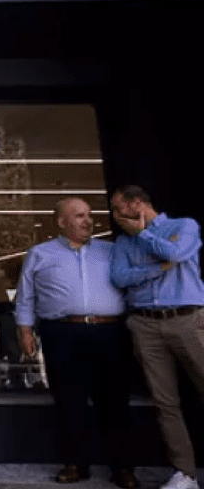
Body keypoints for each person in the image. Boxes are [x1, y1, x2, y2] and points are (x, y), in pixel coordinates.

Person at [14, 198, 137, 488]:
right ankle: (75, 464)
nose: (88, 220)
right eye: (80, 216)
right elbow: (26, 296)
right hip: (62, 333)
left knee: (114, 401)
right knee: (69, 401)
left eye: (89, 215)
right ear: (62, 222)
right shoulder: (39, 254)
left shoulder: (111, 251)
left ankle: (122, 468)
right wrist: (25, 330)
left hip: (109, 333)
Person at [110, 185, 204, 489]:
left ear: (137, 204)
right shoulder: (122, 243)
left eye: (118, 208)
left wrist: (144, 235)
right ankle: (185, 473)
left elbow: (175, 252)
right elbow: (119, 277)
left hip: (187, 319)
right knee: (165, 402)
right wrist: (158, 267)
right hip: (145, 325)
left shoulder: (183, 226)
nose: (115, 215)